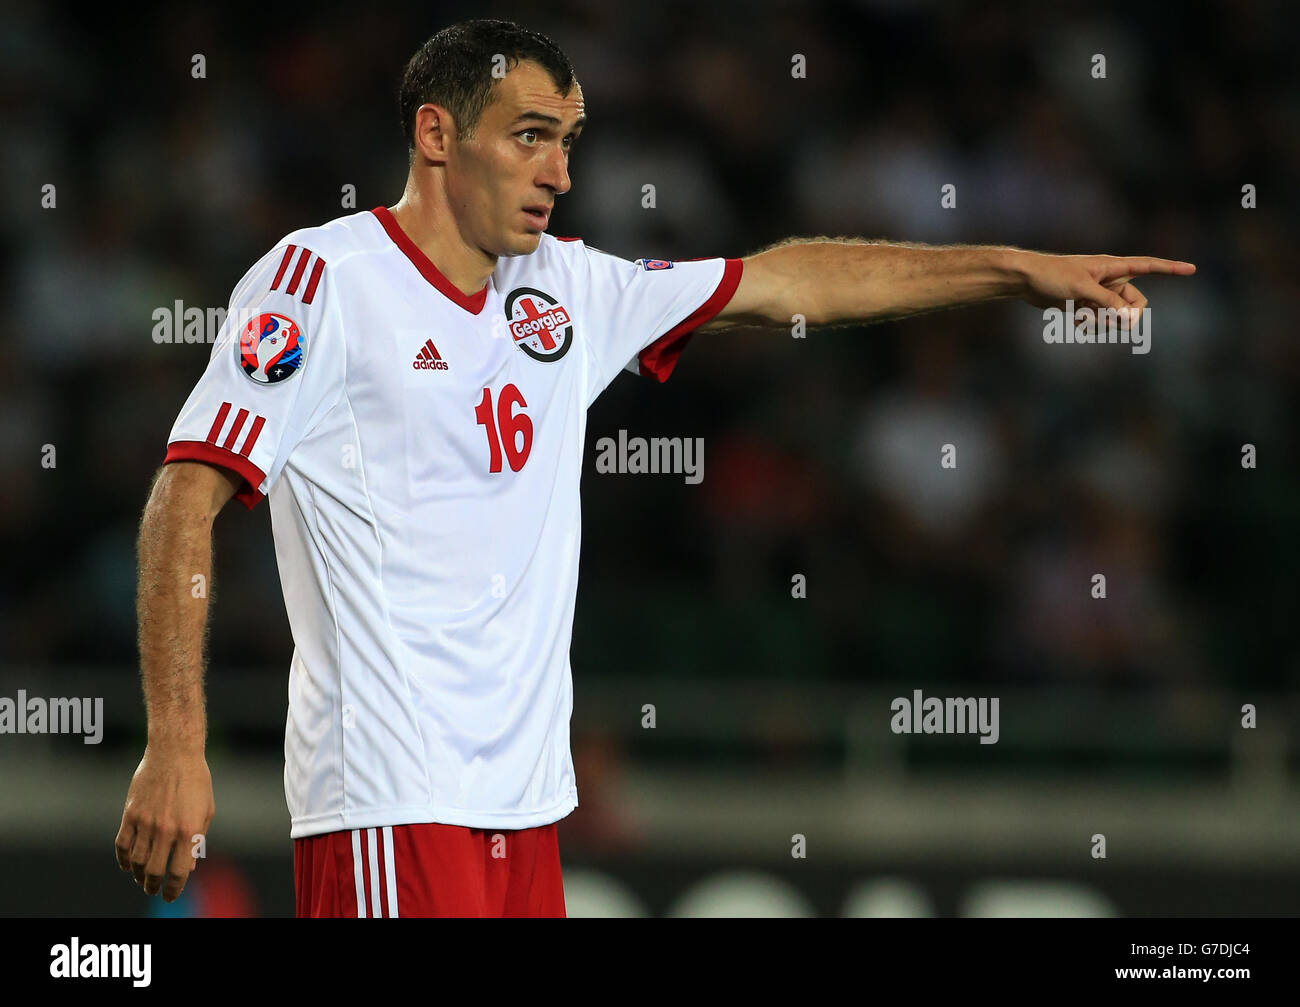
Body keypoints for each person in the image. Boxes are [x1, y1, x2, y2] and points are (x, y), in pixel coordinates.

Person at [115, 17, 1195, 917]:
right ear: (436, 135)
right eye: (530, 135)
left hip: (527, 814)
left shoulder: (568, 289)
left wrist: (1012, 269)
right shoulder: (323, 281)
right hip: (391, 803)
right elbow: (183, 498)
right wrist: (176, 743)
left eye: (570, 139)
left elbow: (793, 283)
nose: (561, 171)